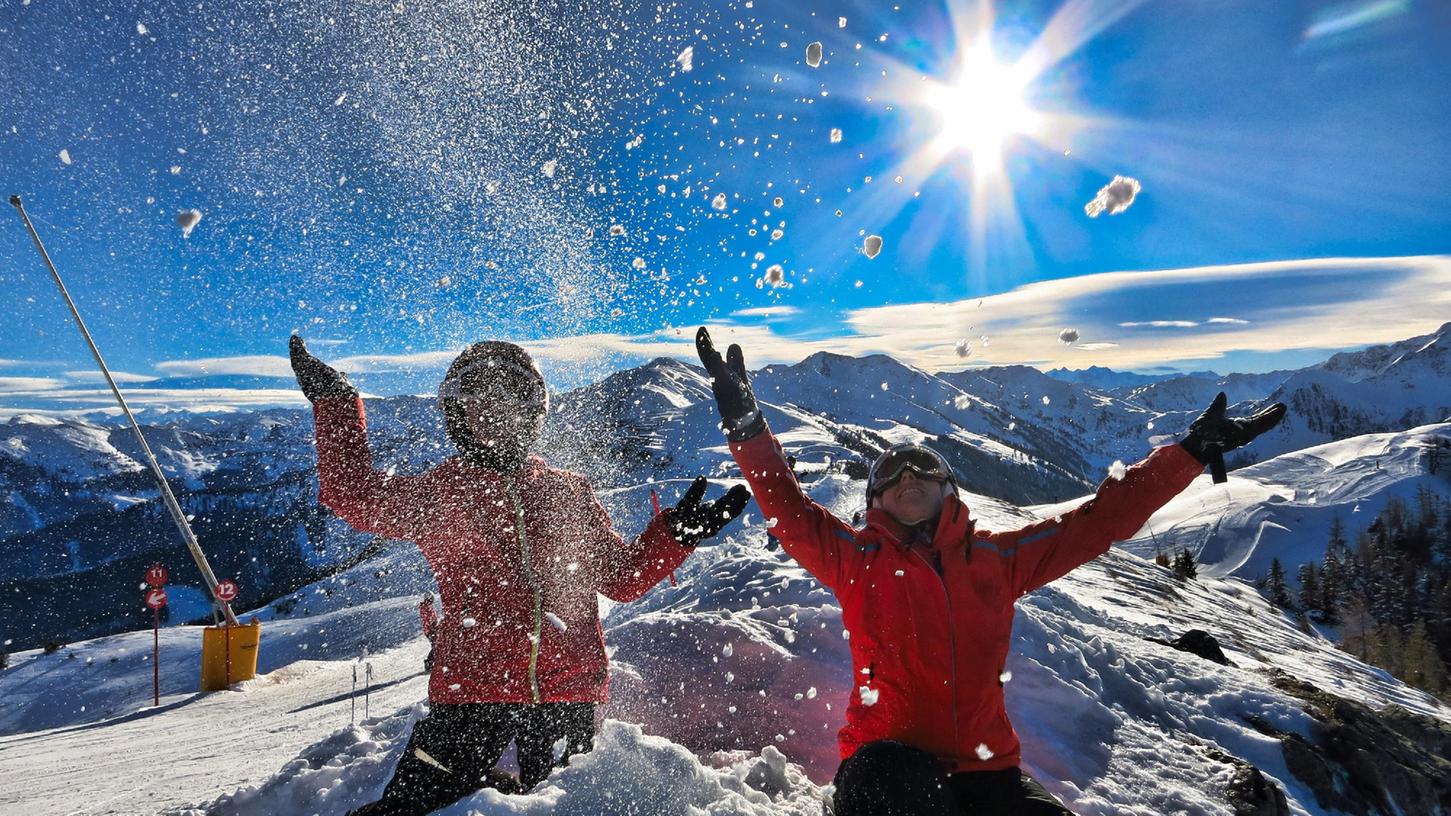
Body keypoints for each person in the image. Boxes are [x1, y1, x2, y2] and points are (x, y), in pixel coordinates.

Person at [694, 327, 1285, 816]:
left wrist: (1187, 455)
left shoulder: (995, 562)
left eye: (922, 472)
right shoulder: (856, 561)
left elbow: (1095, 523)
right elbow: (790, 511)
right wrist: (746, 426)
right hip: (886, 768)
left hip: (987, 772)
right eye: (893, 476)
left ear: (949, 493)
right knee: (897, 785)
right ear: (875, 501)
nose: (908, 479)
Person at [290, 336, 749, 816]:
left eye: (508, 406)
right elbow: (354, 494)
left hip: (566, 700)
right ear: (456, 414)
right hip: (469, 703)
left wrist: (674, 536)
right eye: (480, 405)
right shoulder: (439, 493)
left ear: (532, 415)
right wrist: (336, 403)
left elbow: (621, 578)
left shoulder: (566, 492)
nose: (493, 420)